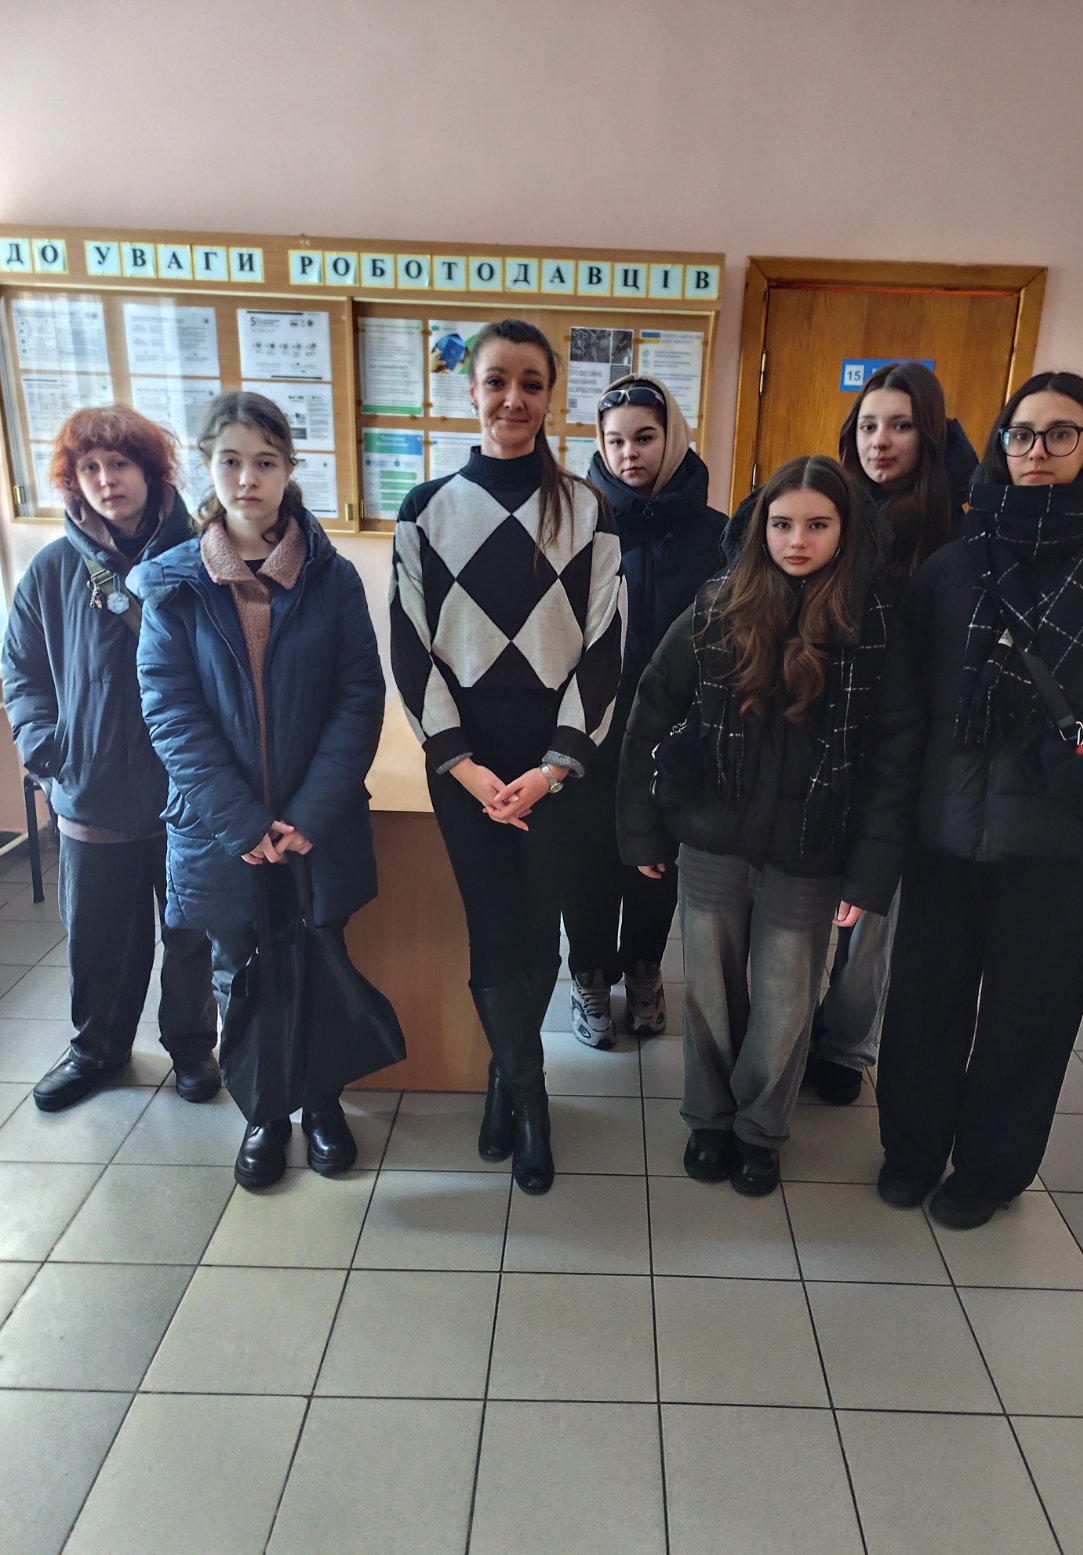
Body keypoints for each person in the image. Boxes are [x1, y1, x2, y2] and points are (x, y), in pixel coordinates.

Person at [876, 371, 1083, 1229]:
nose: (1038, 452)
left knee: (1029, 1018)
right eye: (1021, 435)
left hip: (1058, 836)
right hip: (944, 832)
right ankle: (911, 1150)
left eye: (1061, 434)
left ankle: (989, 1170)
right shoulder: (953, 564)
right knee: (923, 1006)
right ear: (1000, 447)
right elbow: (900, 710)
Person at [617, 456, 921, 1197]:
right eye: (782, 524)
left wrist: (871, 874)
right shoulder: (718, 604)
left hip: (813, 845)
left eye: (817, 525)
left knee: (786, 1000)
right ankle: (709, 1119)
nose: (797, 540)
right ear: (760, 529)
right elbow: (651, 708)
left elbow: (895, 756)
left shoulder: (874, 623)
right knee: (710, 990)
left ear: (845, 532)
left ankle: (758, 1129)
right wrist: (643, 829)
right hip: (713, 836)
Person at [391, 318, 625, 1195]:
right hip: (468, 768)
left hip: (555, 768)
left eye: (531, 382)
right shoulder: (425, 509)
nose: (513, 399)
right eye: (497, 381)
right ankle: (529, 1102)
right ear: (472, 391)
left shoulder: (589, 509)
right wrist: (461, 764)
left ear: (551, 395)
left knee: (539, 931)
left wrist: (555, 766)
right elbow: (409, 650)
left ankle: (507, 1081)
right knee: (494, 932)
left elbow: (605, 648)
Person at [131, 391, 384, 1190]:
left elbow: (358, 697)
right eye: (231, 461)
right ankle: (265, 1114)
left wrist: (308, 814)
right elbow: (170, 713)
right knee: (239, 972)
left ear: (289, 469)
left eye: (266, 462)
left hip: (317, 826)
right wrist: (242, 822)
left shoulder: (331, 576)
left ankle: (323, 1104)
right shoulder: (173, 585)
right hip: (221, 831)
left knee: (321, 957)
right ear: (208, 469)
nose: (249, 478)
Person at [2, 404, 218, 1112]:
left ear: (150, 471)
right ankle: (97, 1050)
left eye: (119, 464)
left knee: (190, 932)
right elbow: (21, 669)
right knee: (99, 937)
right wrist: (45, 748)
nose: (105, 480)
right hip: (90, 789)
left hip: (186, 792)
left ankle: (193, 1048)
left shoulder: (200, 557)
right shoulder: (52, 569)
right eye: (89, 468)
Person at [805, 362, 979, 1105]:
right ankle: (791, 1028)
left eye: (901, 426)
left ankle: (847, 1044)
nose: (880, 441)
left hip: (908, 744)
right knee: (805, 896)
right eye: (869, 425)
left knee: (875, 907)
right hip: (824, 732)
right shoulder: (830, 511)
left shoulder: (957, 527)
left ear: (929, 436)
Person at [563, 375, 725, 1049]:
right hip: (593, 727)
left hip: (677, 736)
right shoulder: (577, 526)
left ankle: (644, 969)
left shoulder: (718, 533)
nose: (630, 453)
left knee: (657, 861)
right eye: (616, 440)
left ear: (673, 438)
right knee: (590, 860)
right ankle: (590, 974)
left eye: (645, 437)